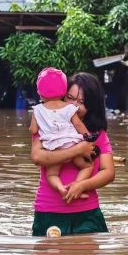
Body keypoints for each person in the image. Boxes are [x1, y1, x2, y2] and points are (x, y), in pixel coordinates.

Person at [30, 72, 115, 236]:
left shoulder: (97, 134)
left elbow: (109, 172)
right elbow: (37, 157)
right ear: (61, 96)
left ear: (92, 105)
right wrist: (77, 150)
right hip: (48, 211)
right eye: (70, 98)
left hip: (87, 213)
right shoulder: (46, 128)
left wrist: (81, 185)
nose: (75, 106)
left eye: (82, 102)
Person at [29, 67, 98, 198]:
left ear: (39, 93)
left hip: (53, 147)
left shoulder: (37, 110)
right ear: (63, 93)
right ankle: (76, 187)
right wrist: (88, 138)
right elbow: (78, 124)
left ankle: (62, 188)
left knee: (52, 174)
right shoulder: (70, 108)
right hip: (72, 143)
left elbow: (33, 130)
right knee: (87, 167)